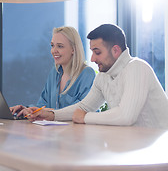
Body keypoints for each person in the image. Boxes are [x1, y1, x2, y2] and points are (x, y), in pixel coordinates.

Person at [28, 24, 168, 129]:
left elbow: (126, 116)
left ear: (115, 50)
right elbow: (83, 107)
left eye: (97, 52)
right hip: (133, 148)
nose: (93, 58)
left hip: (157, 153)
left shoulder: (137, 68)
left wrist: (85, 117)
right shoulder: (103, 76)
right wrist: (53, 115)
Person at [10, 26, 95, 117]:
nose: (54, 51)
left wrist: (51, 112)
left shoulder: (87, 74)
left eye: (60, 46)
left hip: (76, 130)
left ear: (73, 49)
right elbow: (42, 106)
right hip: (53, 130)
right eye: (52, 45)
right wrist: (28, 109)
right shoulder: (54, 73)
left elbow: (84, 111)